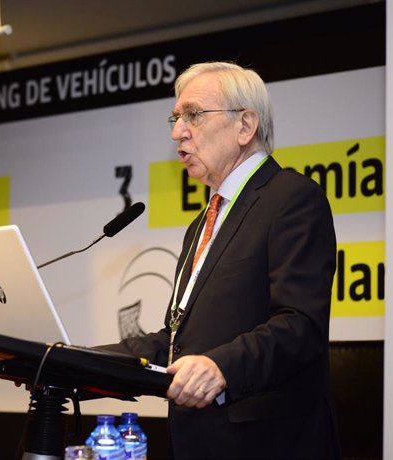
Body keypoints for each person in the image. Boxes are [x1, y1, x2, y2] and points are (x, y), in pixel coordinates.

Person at [101, 62, 340, 459]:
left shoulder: (291, 198)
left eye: (193, 114)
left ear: (245, 125)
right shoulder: (201, 225)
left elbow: (300, 325)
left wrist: (221, 366)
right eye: (175, 118)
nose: (178, 131)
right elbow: (174, 343)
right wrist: (70, 358)